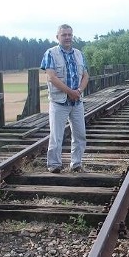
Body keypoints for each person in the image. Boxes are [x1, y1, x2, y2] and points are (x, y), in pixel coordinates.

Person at [40, 24, 89, 173]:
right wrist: (69, 92)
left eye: (69, 35)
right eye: (64, 35)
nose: (67, 37)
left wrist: (79, 91)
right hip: (59, 102)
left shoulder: (79, 54)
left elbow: (86, 75)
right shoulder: (51, 53)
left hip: (77, 102)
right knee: (56, 136)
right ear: (58, 37)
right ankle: (54, 165)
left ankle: (76, 164)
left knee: (80, 135)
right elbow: (51, 77)